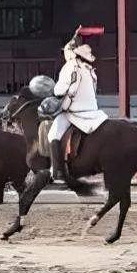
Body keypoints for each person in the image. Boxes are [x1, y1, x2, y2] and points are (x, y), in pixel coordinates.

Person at [47, 27, 108, 181]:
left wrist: (55, 90)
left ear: (73, 54)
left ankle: (58, 171)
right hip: (94, 113)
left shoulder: (70, 67)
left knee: (53, 134)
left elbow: (59, 90)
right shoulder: (90, 70)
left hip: (73, 113)